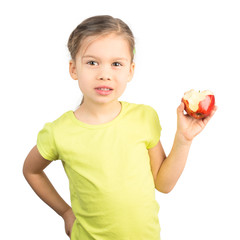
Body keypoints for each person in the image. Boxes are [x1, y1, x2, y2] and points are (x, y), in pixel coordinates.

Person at [22, 15, 217, 240]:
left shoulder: (144, 117)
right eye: (92, 62)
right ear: (73, 68)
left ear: (130, 70)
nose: (105, 74)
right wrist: (66, 212)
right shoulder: (58, 132)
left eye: (116, 64)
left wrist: (184, 139)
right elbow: (31, 170)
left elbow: (163, 185)